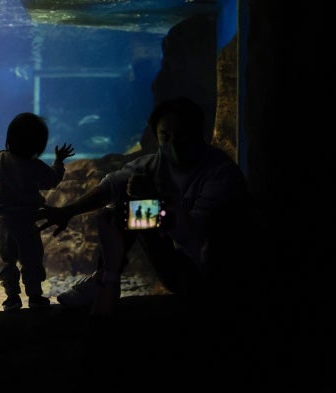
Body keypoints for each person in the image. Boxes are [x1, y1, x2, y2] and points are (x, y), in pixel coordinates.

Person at [36, 96, 251, 318]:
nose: (173, 146)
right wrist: (67, 211)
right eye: (165, 137)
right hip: (177, 266)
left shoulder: (220, 174)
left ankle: (108, 282)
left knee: (135, 207)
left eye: (183, 136)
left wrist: (154, 198)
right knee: (119, 210)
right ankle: (105, 278)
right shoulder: (152, 165)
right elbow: (110, 187)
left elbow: (192, 236)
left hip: (209, 273)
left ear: (200, 134)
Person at [0, 113, 74, 311]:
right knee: (31, 260)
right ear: (38, 146)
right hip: (28, 223)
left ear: (9, 139)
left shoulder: (0, 158)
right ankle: (35, 296)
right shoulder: (34, 165)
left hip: (3, 225)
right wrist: (59, 161)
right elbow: (52, 180)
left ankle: (12, 297)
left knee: (3, 261)